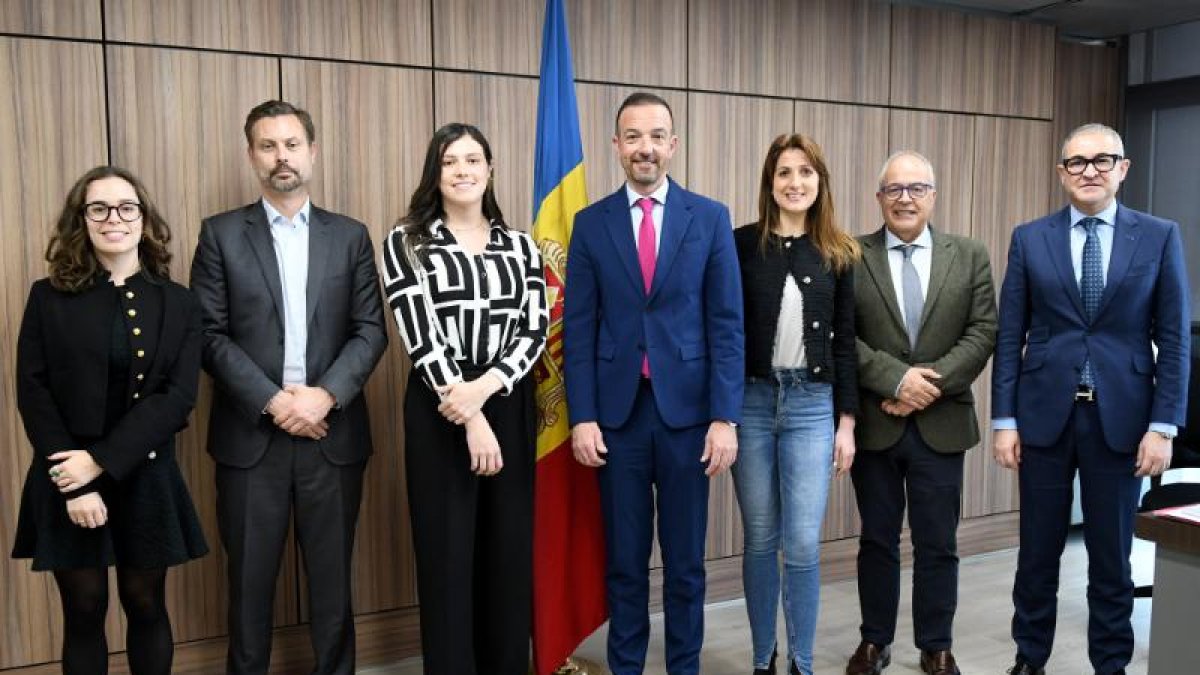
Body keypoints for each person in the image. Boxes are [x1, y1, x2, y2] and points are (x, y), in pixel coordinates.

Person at [189, 100, 387, 675]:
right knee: (249, 587)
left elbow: (370, 330)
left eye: (292, 144)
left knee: (332, 587)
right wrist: (276, 402)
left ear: (312, 151)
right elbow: (208, 334)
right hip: (252, 440)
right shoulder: (221, 234)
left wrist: (323, 396)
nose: (282, 157)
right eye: (268, 146)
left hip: (334, 434)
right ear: (251, 155)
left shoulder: (349, 236)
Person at [992, 123, 1190, 675]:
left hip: (1123, 421)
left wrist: (1164, 425)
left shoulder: (1158, 235)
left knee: (1111, 559)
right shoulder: (1030, 238)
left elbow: (1173, 339)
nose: (1089, 171)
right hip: (1043, 420)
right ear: (1062, 174)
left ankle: (1111, 665)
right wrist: (1004, 419)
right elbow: (1011, 335)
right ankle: (1029, 658)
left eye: (1103, 161)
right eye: (1077, 162)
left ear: (1123, 168)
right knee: (1037, 556)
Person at [563, 91, 744, 675]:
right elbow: (580, 326)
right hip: (617, 418)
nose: (645, 147)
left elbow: (726, 323)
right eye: (632, 136)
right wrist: (582, 416)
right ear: (616, 146)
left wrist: (725, 417)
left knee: (687, 561)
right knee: (626, 562)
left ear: (673, 144)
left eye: (656, 135)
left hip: (690, 418)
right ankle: (626, 668)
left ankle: (684, 667)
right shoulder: (591, 224)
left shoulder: (710, 218)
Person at [13, 165, 208, 674]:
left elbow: (177, 397)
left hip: (144, 472)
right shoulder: (47, 297)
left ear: (144, 219)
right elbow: (33, 393)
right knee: (83, 609)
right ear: (83, 219)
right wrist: (74, 483)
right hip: (66, 476)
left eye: (126, 207)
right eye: (98, 208)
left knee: (146, 604)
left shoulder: (180, 303)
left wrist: (98, 463)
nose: (113, 219)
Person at [379, 122, 547, 674]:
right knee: (447, 556)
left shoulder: (520, 246)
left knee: (506, 554)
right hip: (440, 406)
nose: (463, 171)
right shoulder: (407, 240)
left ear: (490, 170)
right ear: (436, 172)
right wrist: (469, 412)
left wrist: (485, 390)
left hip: (505, 399)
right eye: (450, 161)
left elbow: (533, 332)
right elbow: (418, 332)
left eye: (473, 160)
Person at [848, 151, 996, 675]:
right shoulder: (850, 254)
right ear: (879, 198)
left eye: (916, 188)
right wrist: (895, 380)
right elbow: (845, 337)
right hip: (876, 423)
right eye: (894, 189)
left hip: (942, 424)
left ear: (933, 195)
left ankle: (936, 644)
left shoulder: (970, 254)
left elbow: (983, 332)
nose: (905, 198)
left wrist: (922, 385)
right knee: (876, 539)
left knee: (938, 542)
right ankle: (875, 641)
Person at [731, 134, 859, 675]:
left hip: (812, 405)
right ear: (769, 183)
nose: (795, 183)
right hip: (752, 402)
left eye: (805, 172)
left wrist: (847, 422)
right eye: (784, 173)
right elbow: (725, 332)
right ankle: (764, 659)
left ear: (820, 183)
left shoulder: (839, 253)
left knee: (804, 544)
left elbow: (846, 341)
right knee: (761, 539)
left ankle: (801, 664)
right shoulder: (739, 245)